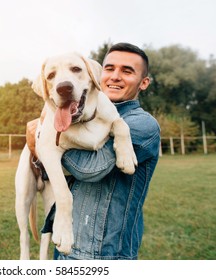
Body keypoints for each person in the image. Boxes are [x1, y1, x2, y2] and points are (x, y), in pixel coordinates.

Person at [41, 42, 161, 260]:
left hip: (105, 253)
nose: (115, 76)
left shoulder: (143, 125)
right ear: (97, 74)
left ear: (143, 83)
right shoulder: (78, 116)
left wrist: (42, 144)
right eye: (109, 68)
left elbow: (91, 169)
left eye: (127, 71)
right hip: (67, 244)